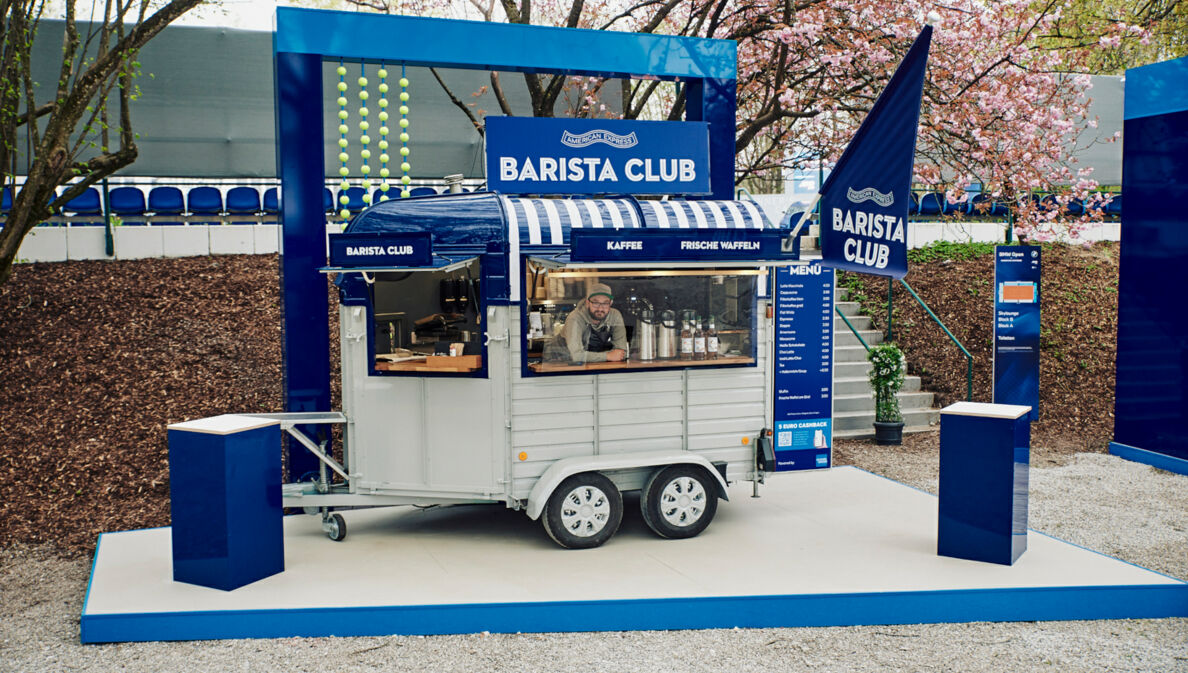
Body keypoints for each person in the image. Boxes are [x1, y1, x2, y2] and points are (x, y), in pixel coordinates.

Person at [552, 282, 628, 364]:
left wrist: (613, 355)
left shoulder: (615, 316)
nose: (600, 308)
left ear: (610, 304)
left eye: (605, 303)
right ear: (587, 303)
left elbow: (621, 353)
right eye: (596, 303)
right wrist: (608, 356)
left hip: (591, 363)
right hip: (558, 360)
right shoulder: (575, 318)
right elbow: (577, 356)